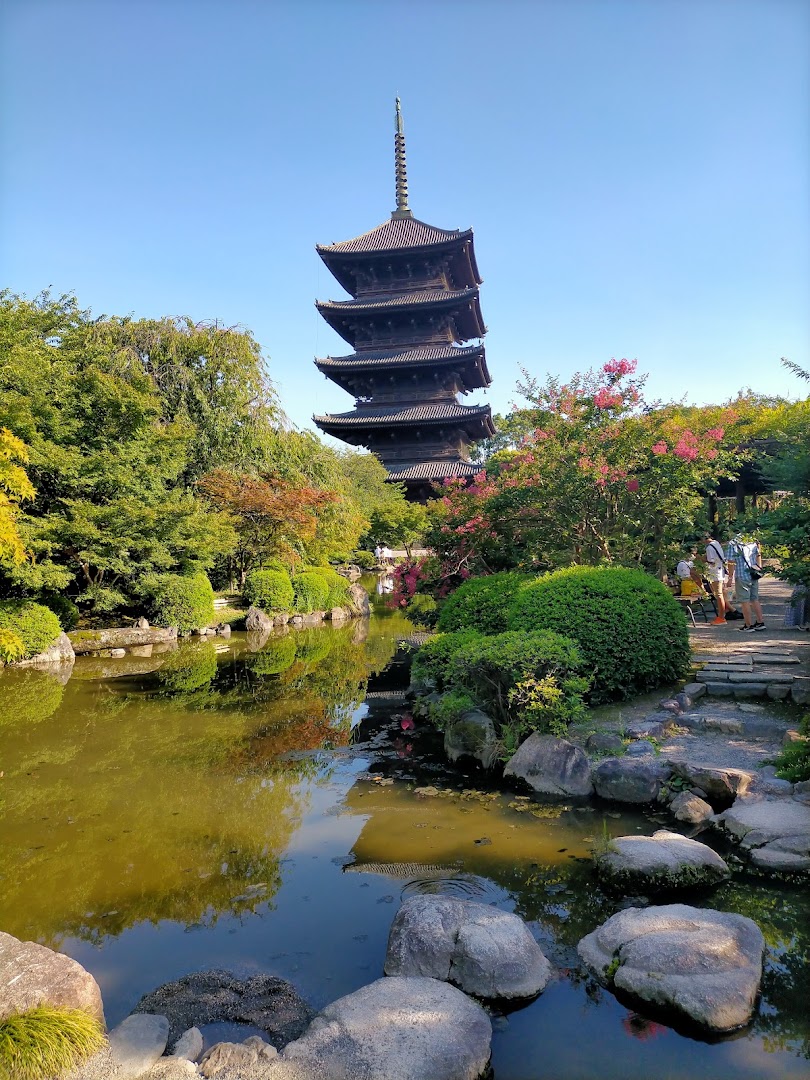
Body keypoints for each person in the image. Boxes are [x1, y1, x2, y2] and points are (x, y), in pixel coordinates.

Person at [726, 534, 765, 632]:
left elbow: (731, 562)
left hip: (742, 575)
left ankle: (748, 625)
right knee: (755, 599)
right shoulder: (752, 540)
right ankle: (760, 622)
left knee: (745, 601)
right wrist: (759, 568)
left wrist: (730, 577)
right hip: (753, 574)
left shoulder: (733, 543)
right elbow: (758, 555)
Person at [702, 530, 732, 624]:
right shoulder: (716, 543)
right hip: (720, 571)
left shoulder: (709, 548)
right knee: (720, 594)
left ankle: (721, 618)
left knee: (719, 595)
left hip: (715, 573)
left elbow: (711, 562)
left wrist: (701, 558)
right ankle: (724, 613)